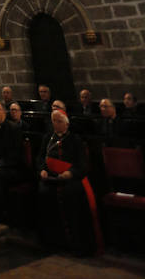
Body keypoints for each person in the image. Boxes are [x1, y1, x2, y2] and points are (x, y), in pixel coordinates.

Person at [37, 108, 103, 255]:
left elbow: (82, 164)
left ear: (66, 124)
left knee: (70, 193)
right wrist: (42, 170)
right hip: (51, 178)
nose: (56, 124)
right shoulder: (48, 138)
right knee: (44, 192)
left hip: (71, 179)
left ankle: (76, 243)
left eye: (59, 121)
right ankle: (54, 241)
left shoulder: (75, 140)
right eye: (54, 121)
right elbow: (41, 158)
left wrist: (70, 173)